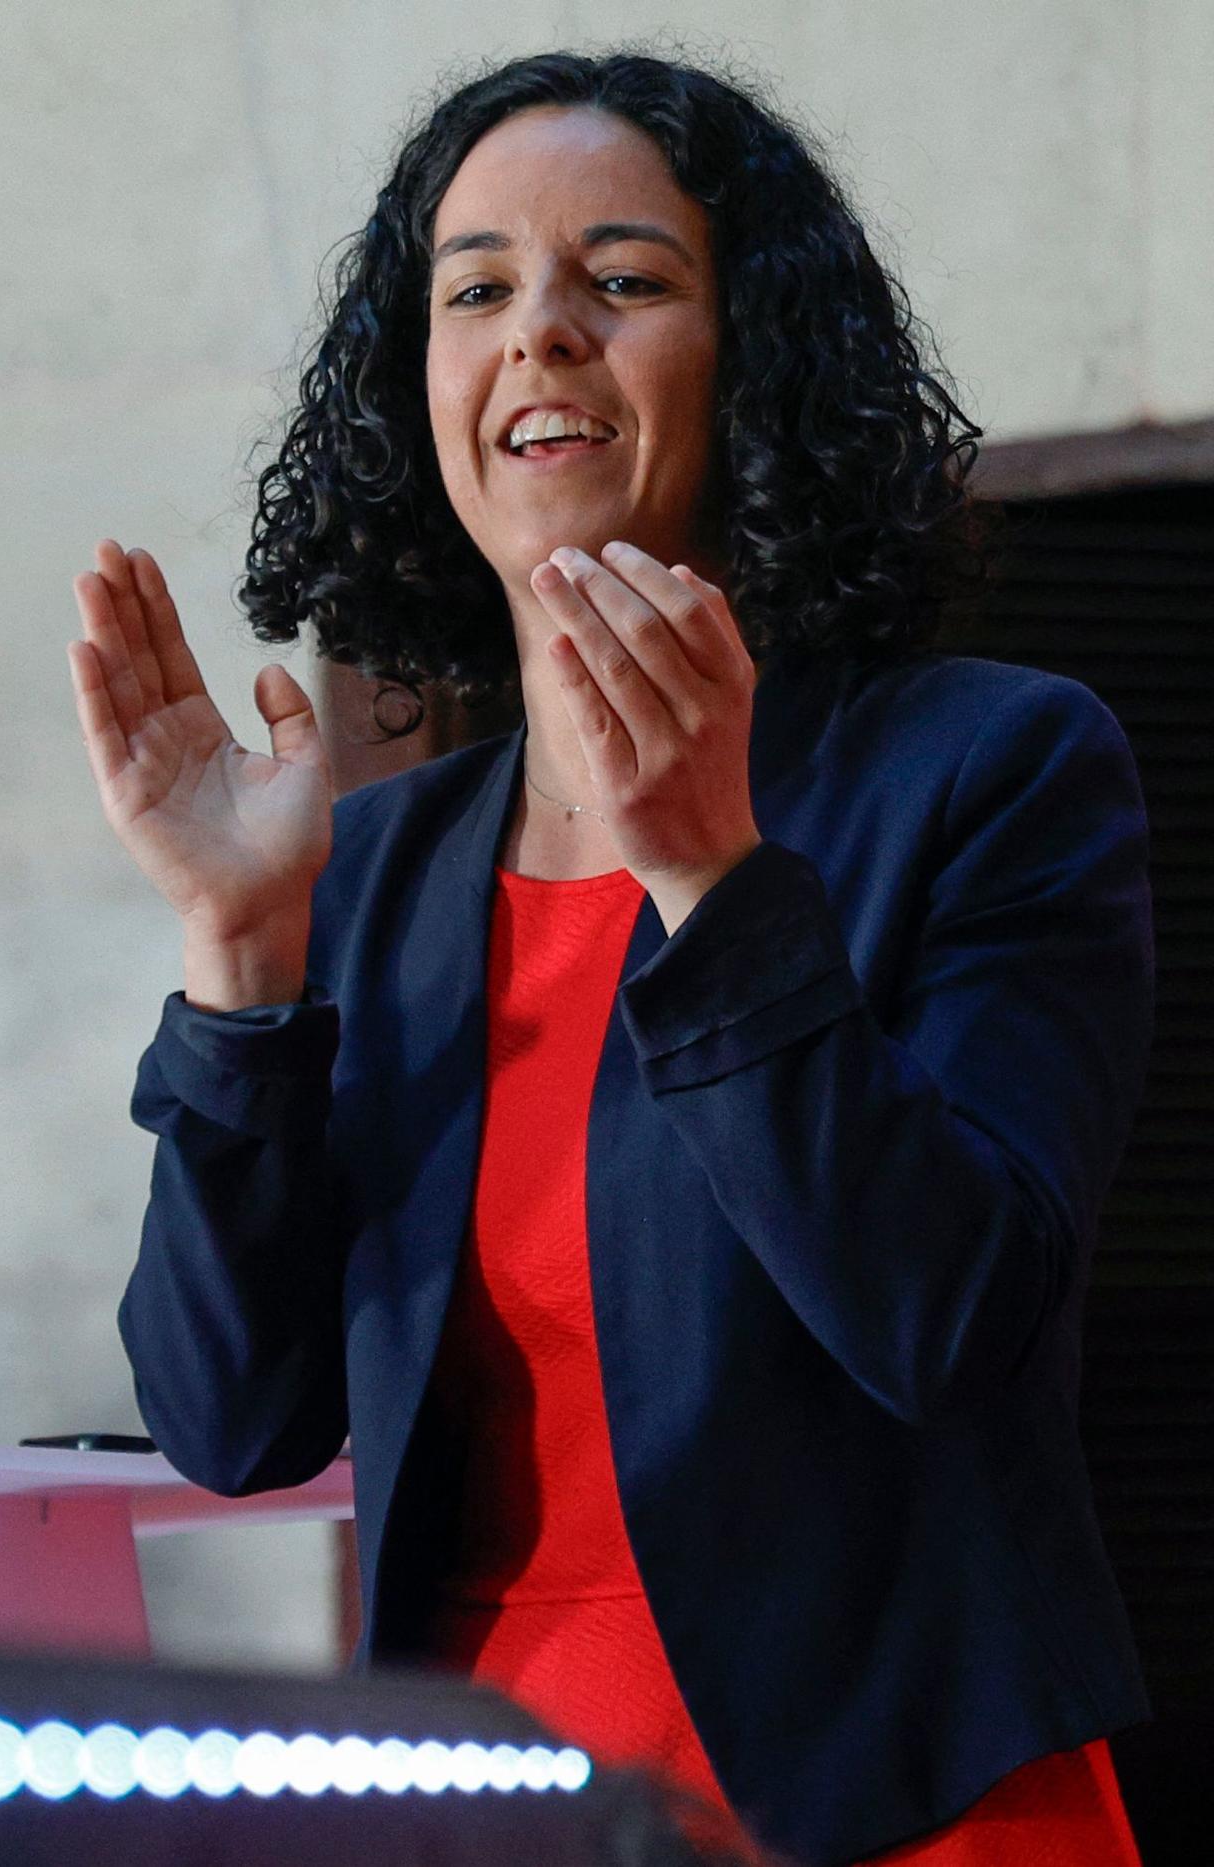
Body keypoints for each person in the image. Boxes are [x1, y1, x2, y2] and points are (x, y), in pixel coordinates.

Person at [69, 51, 1151, 1867]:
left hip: (894, 1805)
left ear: (754, 360)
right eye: (476, 289)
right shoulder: (382, 863)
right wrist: (240, 955)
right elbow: (228, 1420)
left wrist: (709, 873)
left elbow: (943, 1323)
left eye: (624, 281)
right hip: (495, 1804)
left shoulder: (988, 767)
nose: (539, 336)